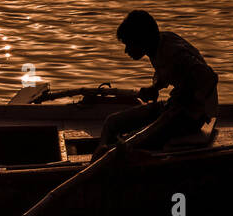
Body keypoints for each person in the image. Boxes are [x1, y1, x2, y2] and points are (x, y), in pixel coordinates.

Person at [94, 9, 219, 157]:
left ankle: (108, 156)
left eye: (129, 44)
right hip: (172, 108)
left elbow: (209, 77)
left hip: (191, 117)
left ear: (141, 40)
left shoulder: (175, 53)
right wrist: (155, 88)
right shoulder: (159, 44)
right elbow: (170, 72)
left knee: (133, 141)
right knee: (112, 122)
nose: (126, 51)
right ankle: (101, 153)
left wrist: (185, 98)